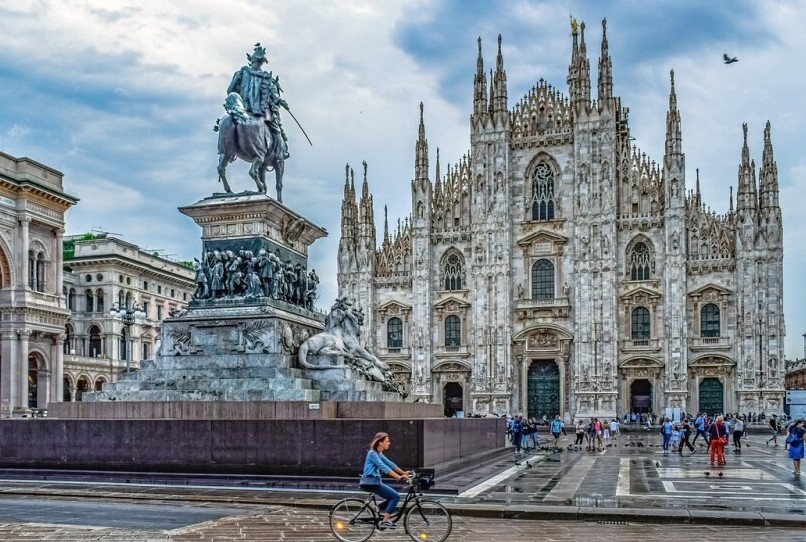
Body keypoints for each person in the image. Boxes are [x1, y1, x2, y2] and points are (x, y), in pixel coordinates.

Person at [226, 43, 290, 160]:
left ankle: (228, 150)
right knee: (277, 130)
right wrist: (281, 102)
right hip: (260, 111)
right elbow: (274, 96)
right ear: (261, 61)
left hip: (242, 109)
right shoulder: (266, 77)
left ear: (252, 60)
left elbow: (230, 91)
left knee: (227, 121)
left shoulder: (241, 73)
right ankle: (281, 153)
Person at [361, 432, 410, 529]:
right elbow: (383, 467)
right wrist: (398, 477)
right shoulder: (372, 454)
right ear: (380, 443)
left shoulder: (379, 453)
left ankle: (377, 509)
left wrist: (403, 472)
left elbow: (389, 463)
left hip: (375, 482)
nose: (389, 443)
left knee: (391, 496)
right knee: (395, 496)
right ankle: (385, 521)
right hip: (370, 482)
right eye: (387, 441)